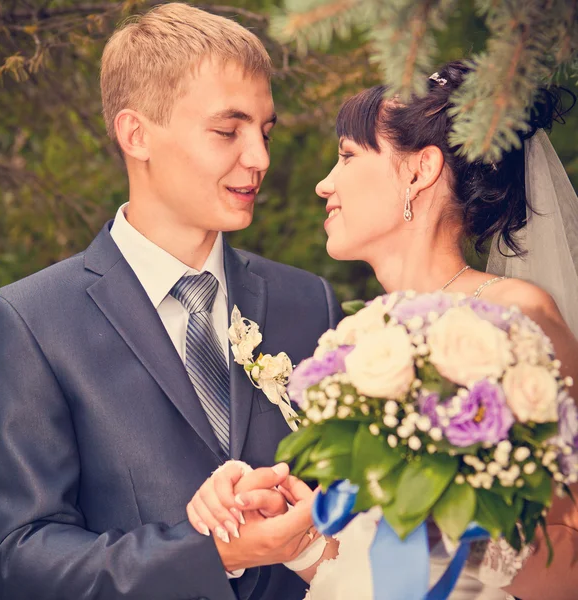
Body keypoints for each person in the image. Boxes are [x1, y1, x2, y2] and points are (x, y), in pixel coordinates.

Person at [0, 4, 342, 599]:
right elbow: (19, 561)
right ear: (136, 134)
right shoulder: (29, 323)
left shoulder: (310, 304)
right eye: (228, 131)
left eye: (265, 131)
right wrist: (210, 551)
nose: (259, 158)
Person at [190, 61, 578, 599]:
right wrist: (299, 534)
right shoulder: (362, 343)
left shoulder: (517, 319)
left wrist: (455, 525)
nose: (325, 183)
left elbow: (570, 561)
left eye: (348, 155)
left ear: (419, 171)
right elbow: (365, 568)